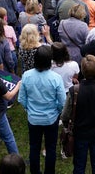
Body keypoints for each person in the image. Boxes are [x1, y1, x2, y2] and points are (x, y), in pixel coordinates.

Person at [61, 55, 95, 174]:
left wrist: (69, 125)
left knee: (79, 165)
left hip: (80, 133)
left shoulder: (74, 90)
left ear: (83, 71)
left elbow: (65, 115)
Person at [19, 45, 66, 174]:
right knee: (51, 148)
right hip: (51, 119)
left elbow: (22, 99)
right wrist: (56, 111)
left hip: (34, 119)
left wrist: (29, 110)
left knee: (34, 147)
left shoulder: (26, 76)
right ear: (50, 60)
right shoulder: (55, 78)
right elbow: (62, 101)